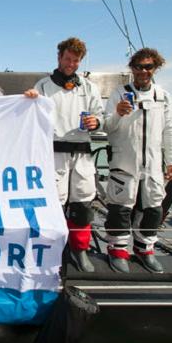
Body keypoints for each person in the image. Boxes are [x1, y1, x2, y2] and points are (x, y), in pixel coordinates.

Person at [104, 48, 172, 274]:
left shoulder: (163, 96)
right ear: (132, 68)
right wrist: (118, 113)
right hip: (125, 164)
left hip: (153, 165)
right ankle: (117, 251)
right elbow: (107, 126)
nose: (143, 71)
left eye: (148, 67)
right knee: (120, 209)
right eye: (139, 67)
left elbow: (170, 131)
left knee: (153, 209)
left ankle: (145, 249)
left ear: (155, 68)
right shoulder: (119, 93)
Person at [34, 37, 104, 273]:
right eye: (67, 59)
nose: (71, 64)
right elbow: (30, 116)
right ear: (59, 58)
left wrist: (96, 122)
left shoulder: (89, 87)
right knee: (54, 204)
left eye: (75, 60)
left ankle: (80, 249)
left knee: (83, 203)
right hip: (54, 152)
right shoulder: (43, 86)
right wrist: (27, 100)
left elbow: (99, 116)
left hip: (82, 152)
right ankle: (54, 250)